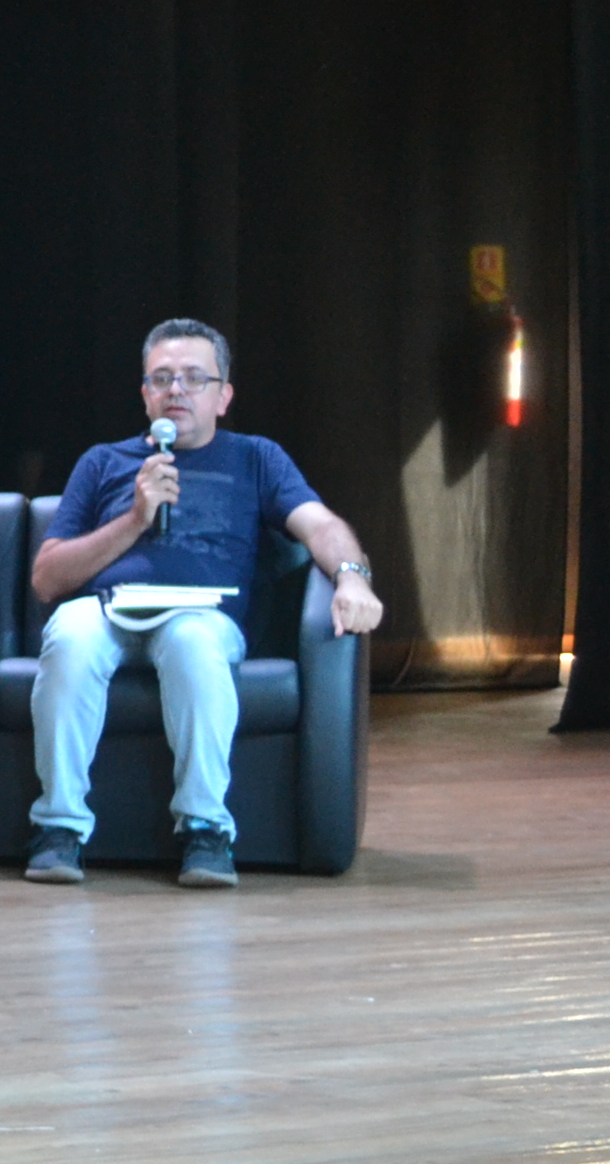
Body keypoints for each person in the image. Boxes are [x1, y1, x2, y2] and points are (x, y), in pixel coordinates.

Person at [23, 318, 385, 889]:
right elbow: (47, 578)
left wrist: (352, 577)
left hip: (201, 615)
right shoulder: (102, 462)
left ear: (224, 396)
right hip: (109, 609)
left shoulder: (256, 458)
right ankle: (58, 829)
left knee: (193, 642)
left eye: (194, 378)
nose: (176, 390)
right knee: (70, 635)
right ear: (145, 394)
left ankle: (205, 830)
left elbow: (321, 526)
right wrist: (134, 519)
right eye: (162, 378)